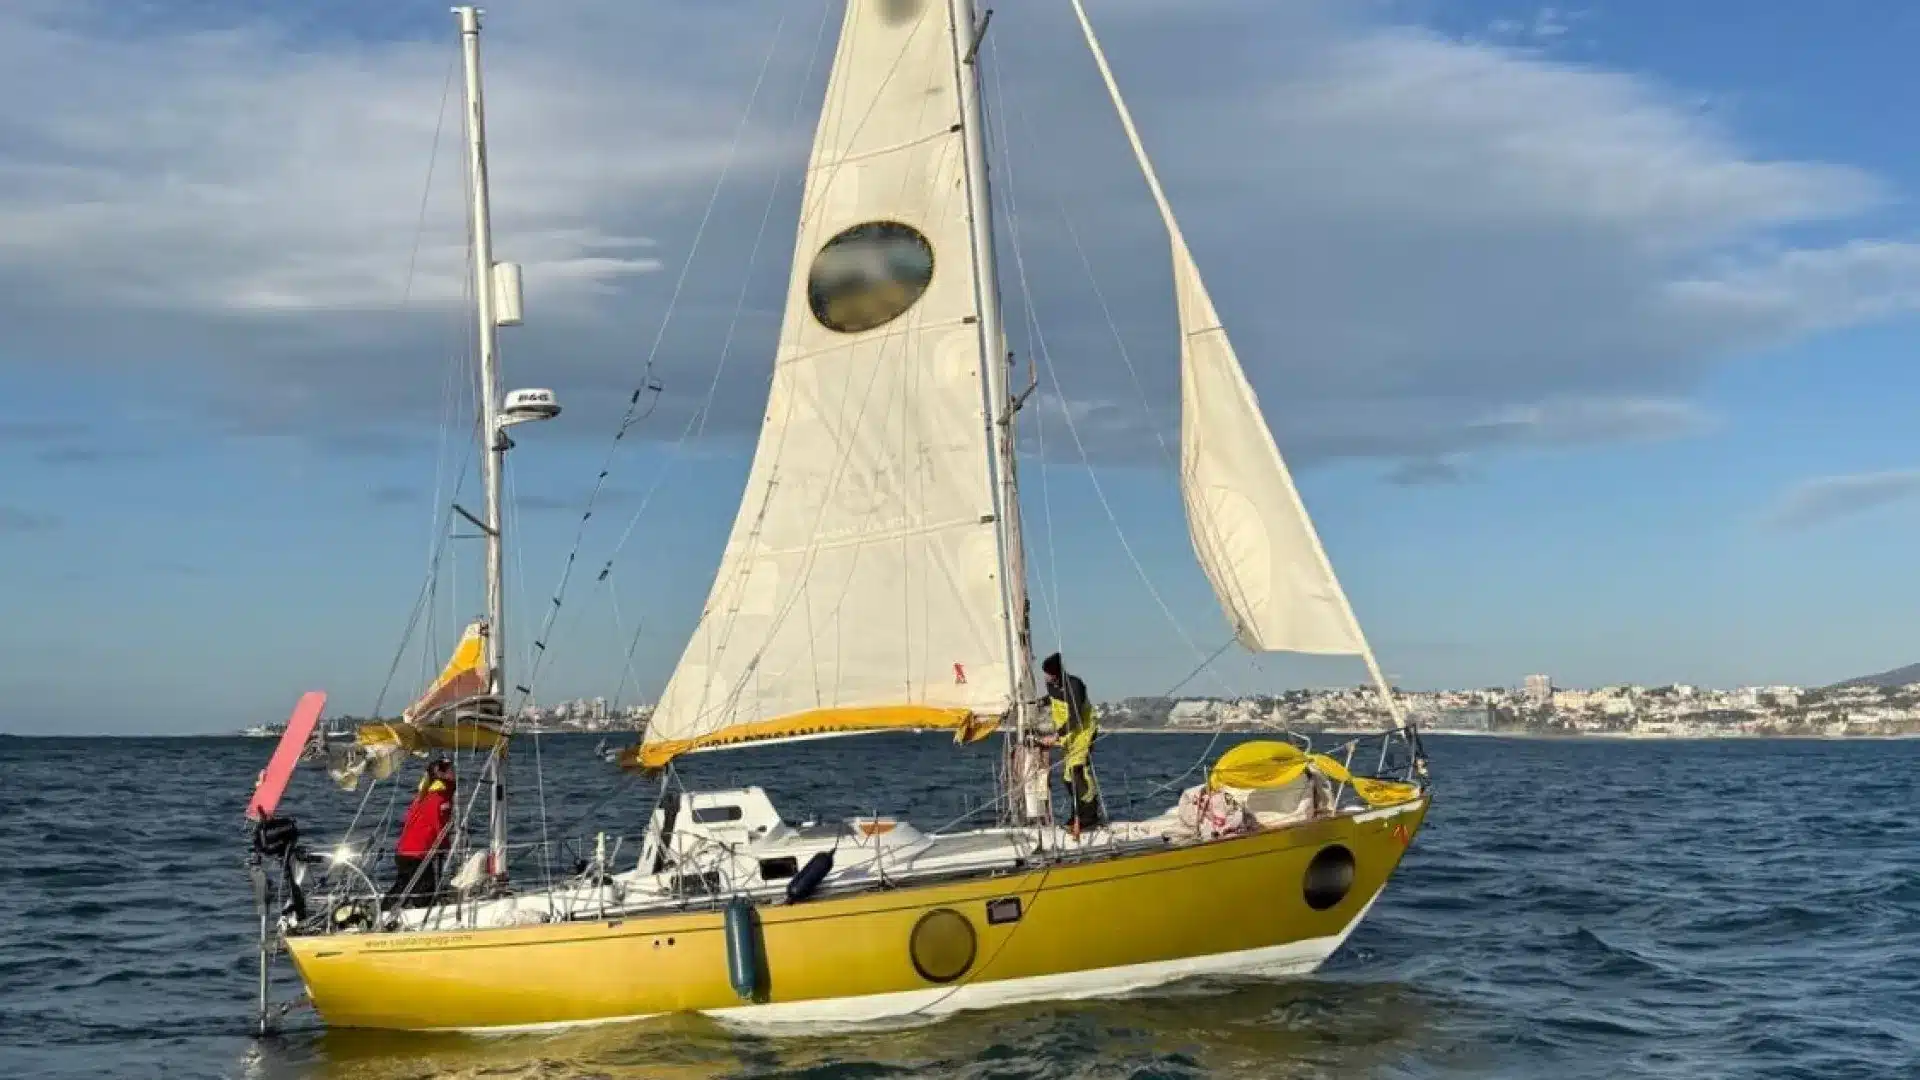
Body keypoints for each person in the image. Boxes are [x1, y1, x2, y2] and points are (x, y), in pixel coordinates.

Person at [1041, 653, 1104, 834]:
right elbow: (1054, 697)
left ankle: (1090, 816)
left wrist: (1056, 735)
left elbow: (1075, 716)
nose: (1045, 677)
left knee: (1079, 774)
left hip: (1083, 731)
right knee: (1068, 779)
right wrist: (1040, 702)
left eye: (1047, 673)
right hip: (1069, 736)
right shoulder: (1051, 685)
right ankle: (1078, 814)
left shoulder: (1074, 685)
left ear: (1055, 673)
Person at [389, 757, 456, 908]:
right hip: (417, 854)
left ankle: (384, 911)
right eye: (450, 770)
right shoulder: (439, 798)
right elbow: (439, 825)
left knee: (402, 887)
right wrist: (447, 848)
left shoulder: (423, 796)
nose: (454, 773)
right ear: (441, 774)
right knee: (425, 890)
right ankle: (421, 914)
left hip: (404, 851)